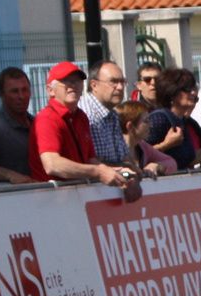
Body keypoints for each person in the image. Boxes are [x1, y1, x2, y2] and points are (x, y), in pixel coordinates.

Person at [28, 61, 140, 198]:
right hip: (50, 200)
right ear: (50, 90)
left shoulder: (81, 117)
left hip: (74, 198)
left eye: (77, 81)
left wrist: (124, 173)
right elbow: (52, 164)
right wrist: (98, 172)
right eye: (66, 82)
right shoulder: (47, 118)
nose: (73, 85)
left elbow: (90, 160)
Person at [78, 60, 129, 166]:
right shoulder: (87, 115)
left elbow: (122, 157)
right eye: (113, 82)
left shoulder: (112, 114)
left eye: (122, 82)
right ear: (94, 85)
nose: (120, 87)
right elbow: (93, 162)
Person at [115, 100, 177, 177]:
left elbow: (171, 162)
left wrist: (157, 166)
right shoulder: (113, 148)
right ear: (130, 126)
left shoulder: (142, 146)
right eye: (146, 121)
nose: (150, 125)